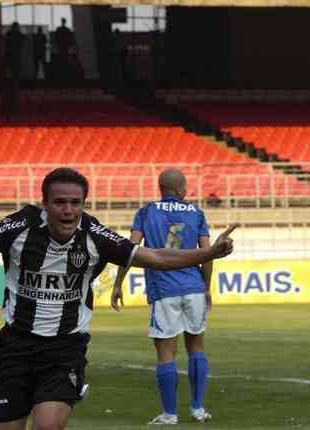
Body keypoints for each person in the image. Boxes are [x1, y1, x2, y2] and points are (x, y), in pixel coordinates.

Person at [0, 167, 237, 430]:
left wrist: (209, 254)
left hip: (64, 349)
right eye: (60, 202)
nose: (68, 210)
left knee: (47, 424)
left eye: (75, 203)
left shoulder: (95, 234)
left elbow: (157, 258)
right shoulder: (19, 226)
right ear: (45, 204)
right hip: (14, 348)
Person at [110, 169, 213, 424]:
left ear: (161, 188)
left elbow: (130, 250)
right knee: (196, 346)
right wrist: (207, 286)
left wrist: (118, 283)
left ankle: (170, 414)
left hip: (164, 289)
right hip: (194, 287)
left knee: (166, 352)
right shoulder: (197, 213)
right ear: (180, 189)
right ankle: (198, 409)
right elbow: (207, 253)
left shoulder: (146, 212)